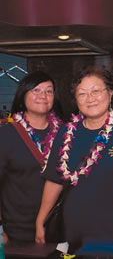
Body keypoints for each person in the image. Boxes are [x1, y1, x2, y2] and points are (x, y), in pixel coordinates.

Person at [35, 66, 113, 252]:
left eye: (96, 91)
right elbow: (54, 181)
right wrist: (41, 219)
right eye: (82, 94)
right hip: (74, 235)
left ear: (111, 93)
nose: (90, 99)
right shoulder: (65, 133)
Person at [0, 71, 62, 243]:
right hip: (17, 230)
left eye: (49, 91)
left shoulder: (66, 133)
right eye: (36, 90)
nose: (43, 95)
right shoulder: (6, 134)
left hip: (58, 227)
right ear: (23, 95)